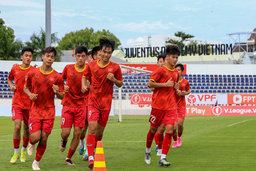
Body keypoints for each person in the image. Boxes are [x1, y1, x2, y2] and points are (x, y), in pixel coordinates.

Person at [82, 37, 123, 169]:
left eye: (109, 52)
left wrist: (114, 79)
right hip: (92, 102)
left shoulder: (115, 67)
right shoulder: (92, 65)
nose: (106, 55)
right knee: (92, 129)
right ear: (100, 51)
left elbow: (120, 84)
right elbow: (85, 76)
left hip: (106, 104)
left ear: (112, 53)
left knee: (99, 134)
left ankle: (94, 149)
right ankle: (91, 158)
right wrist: (84, 86)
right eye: (104, 51)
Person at [24, 47, 64, 170]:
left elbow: (62, 96)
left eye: (52, 57)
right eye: (47, 56)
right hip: (35, 110)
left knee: (44, 138)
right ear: (42, 57)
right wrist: (30, 94)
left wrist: (57, 92)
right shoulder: (32, 73)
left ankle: (36, 162)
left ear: (54, 59)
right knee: (36, 137)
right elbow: (26, 87)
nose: (50, 59)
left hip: (49, 111)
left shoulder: (57, 76)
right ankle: (31, 143)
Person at [144, 45, 180, 166]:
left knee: (169, 130)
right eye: (173, 57)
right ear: (167, 57)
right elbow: (150, 84)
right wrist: (165, 85)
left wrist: (176, 88)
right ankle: (148, 150)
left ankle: (163, 158)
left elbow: (175, 86)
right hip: (157, 106)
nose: (175, 60)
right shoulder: (159, 71)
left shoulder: (176, 72)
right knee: (153, 130)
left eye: (177, 57)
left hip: (171, 107)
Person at [59, 46, 88, 165]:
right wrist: (63, 87)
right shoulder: (68, 68)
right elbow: (59, 81)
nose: (81, 58)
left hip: (82, 105)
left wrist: (88, 86)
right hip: (68, 104)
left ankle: (68, 158)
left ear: (86, 57)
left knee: (78, 133)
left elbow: (93, 83)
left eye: (83, 56)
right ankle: (64, 139)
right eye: (79, 56)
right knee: (66, 132)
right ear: (75, 56)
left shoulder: (89, 69)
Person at [8, 47, 35, 164]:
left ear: (32, 58)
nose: (28, 57)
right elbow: (9, 79)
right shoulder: (14, 68)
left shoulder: (34, 71)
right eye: (26, 55)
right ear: (21, 57)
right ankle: (16, 153)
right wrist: (11, 86)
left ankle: (24, 151)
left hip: (29, 104)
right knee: (18, 126)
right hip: (17, 103)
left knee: (26, 128)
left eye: (30, 56)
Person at [172, 63, 190, 148]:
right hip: (172, 106)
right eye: (176, 69)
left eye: (179, 70)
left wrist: (184, 93)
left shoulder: (185, 82)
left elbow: (188, 91)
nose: (177, 71)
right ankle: (175, 141)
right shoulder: (172, 81)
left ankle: (179, 137)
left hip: (181, 106)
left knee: (179, 124)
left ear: (182, 71)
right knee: (173, 127)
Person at [152, 53, 167, 156]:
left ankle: (161, 145)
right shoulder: (155, 73)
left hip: (168, 104)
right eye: (160, 61)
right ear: (157, 63)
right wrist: (164, 85)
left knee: (165, 127)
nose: (162, 63)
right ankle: (158, 145)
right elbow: (152, 87)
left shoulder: (170, 73)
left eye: (163, 61)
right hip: (156, 104)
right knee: (156, 127)